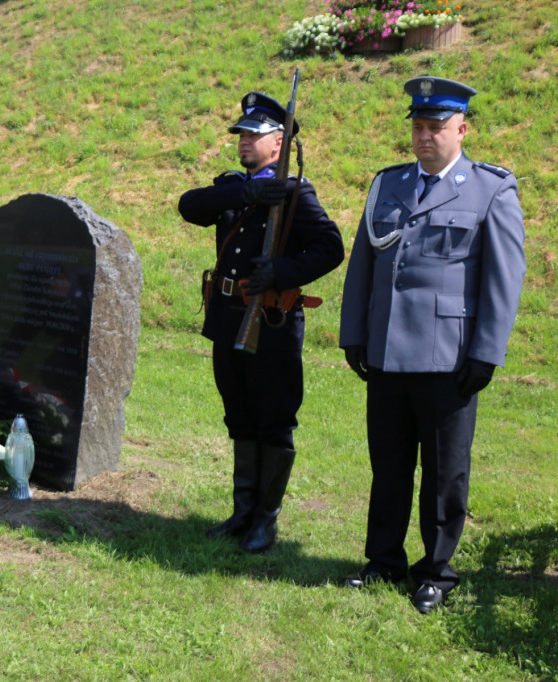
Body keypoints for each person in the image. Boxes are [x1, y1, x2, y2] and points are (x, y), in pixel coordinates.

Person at [339, 77, 526, 614]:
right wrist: (355, 334)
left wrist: (487, 352)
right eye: (417, 127)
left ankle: (437, 571)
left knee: (446, 470)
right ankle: (383, 560)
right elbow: (364, 267)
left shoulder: (490, 189)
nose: (424, 137)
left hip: (449, 358)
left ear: (461, 129)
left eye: (435, 127)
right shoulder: (387, 185)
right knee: (389, 463)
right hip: (389, 352)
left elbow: (503, 278)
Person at [178, 92, 344, 553]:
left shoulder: (295, 193)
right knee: (240, 417)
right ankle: (242, 511)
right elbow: (190, 205)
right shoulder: (235, 188)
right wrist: (244, 191)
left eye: (254, 135)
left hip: (271, 324)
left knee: (273, 420)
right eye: (242, 135)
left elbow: (330, 247)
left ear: (280, 143)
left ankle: (265, 521)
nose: (244, 141)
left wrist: (283, 272)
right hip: (228, 320)